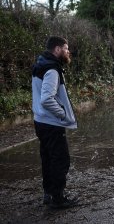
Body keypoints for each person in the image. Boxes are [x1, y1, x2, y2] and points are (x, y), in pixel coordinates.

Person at [32, 36, 78, 208]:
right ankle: (58, 199)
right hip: (51, 123)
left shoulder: (40, 63)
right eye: (66, 48)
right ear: (57, 49)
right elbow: (46, 99)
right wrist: (63, 115)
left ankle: (48, 194)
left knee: (48, 158)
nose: (68, 52)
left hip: (40, 121)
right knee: (60, 160)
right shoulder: (52, 69)